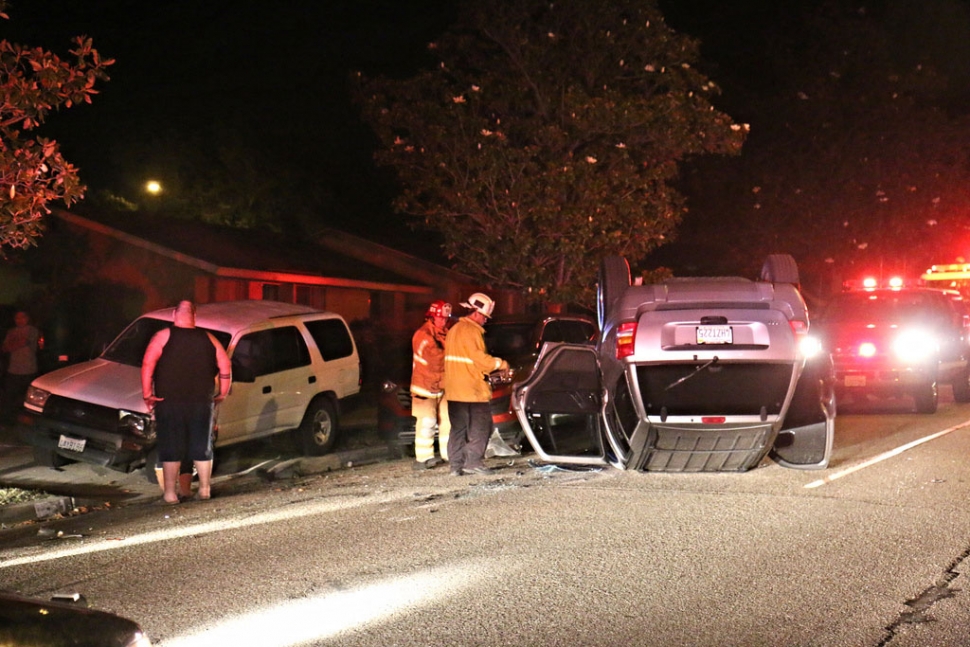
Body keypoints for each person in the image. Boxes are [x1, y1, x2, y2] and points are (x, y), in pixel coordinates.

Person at [141, 300, 231, 504]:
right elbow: (225, 365)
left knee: (172, 446)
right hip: (201, 401)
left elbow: (148, 363)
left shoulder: (163, 336)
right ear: (194, 316)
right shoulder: (209, 338)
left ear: (174, 314)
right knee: (201, 445)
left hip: (170, 401)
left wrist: (147, 394)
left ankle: (170, 494)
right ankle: (205, 490)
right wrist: (222, 393)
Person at [443, 292, 509, 477]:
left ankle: (456, 466)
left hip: (454, 390)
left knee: (458, 429)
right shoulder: (472, 331)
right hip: (472, 390)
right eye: (485, 316)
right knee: (481, 427)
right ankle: (473, 463)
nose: (485, 320)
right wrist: (501, 363)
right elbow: (480, 361)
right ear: (477, 313)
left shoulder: (454, 330)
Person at [410, 300, 452, 470]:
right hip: (425, 386)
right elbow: (437, 360)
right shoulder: (423, 335)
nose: (443, 321)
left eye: (446, 318)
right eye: (440, 318)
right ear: (432, 317)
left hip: (442, 385)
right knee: (427, 422)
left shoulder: (445, 333)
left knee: (447, 421)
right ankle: (423, 458)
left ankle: (449, 454)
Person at [1, 311, 40, 423]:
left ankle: (24, 420)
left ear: (27, 318)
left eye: (22, 317)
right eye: (17, 318)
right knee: (9, 397)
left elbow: (22, 342)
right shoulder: (11, 331)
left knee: (26, 397)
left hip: (28, 369)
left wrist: (12, 343)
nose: (20, 320)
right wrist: (12, 344)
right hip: (13, 369)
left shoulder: (32, 330)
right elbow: (5, 348)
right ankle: (9, 420)